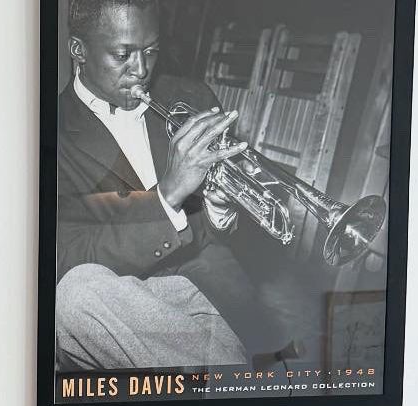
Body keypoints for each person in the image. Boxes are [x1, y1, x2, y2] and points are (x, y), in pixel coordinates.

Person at [55, 0, 293, 370]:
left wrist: (221, 209)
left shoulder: (192, 98)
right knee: (74, 295)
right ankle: (231, 385)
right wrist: (167, 196)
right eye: (123, 55)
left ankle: (220, 383)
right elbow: (66, 258)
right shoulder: (50, 136)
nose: (142, 70)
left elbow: (256, 253)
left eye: (151, 51)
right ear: (78, 50)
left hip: (208, 297)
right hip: (119, 304)